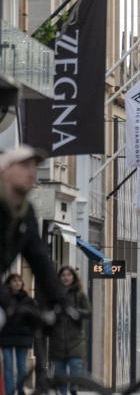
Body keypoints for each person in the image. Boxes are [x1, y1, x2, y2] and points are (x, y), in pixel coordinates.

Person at [0, 146, 67, 376]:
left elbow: (40, 261)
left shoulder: (25, 213)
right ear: (5, 171)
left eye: (35, 167)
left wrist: (62, 302)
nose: (32, 172)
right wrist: (9, 304)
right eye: (25, 166)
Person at [48, 266, 91, 395]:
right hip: (57, 341)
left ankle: (73, 388)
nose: (66, 277)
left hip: (75, 341)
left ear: (73, 277)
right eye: (63, 275)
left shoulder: (79, 295)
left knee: (75, 368)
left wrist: (75, 312)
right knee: (59, 372)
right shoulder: (54, 296)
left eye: (68, 275)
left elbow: (88, 312)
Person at [1, 274, 36, 395]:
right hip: (6, 337)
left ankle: (20, 389)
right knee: (8, 367)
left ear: (22, 284)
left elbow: (33, 318)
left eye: (19, 281)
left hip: (23, 337)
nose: (17, 283)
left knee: (22, 368)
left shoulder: (27, 300)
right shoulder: (4, 299)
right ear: (9, 283)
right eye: (14, 281)